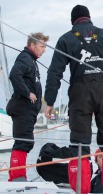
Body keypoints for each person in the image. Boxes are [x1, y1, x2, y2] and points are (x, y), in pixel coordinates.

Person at [44, 5, 103, 193]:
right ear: (89, 18)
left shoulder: (66, 39)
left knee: (79, 145)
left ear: (72, 21)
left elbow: (55, 73)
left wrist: (50, 101)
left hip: (80, 93)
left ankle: (82, 190)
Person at [6, 32, 49, 182]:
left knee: (26, 142)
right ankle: (16, 177)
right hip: (22, 107)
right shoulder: (25, 58)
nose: (44, 49)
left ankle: (19, 175)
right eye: (42, 46)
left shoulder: (31, 60)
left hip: (27, 110)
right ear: (32, 45)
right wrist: (27, 93)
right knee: (23, 142)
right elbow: (14, 74)